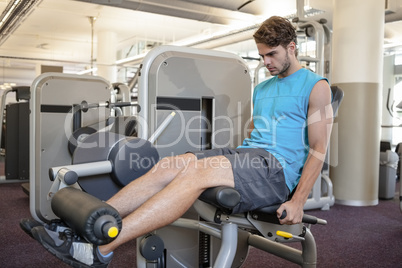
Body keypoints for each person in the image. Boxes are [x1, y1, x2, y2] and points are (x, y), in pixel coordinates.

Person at [22, 16, 333, 268]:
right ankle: (84, 228)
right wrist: (232, 156)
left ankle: (101, 247)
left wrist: (297, 200)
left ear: (292, 47)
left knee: (196, 173)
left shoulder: (316, 86)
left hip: (275, 171)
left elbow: (319, 148)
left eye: (272, 54)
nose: (266, 62)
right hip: (249, 155)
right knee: (171, 164)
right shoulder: (263, 88)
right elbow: (257, 129)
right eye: (262, 55)